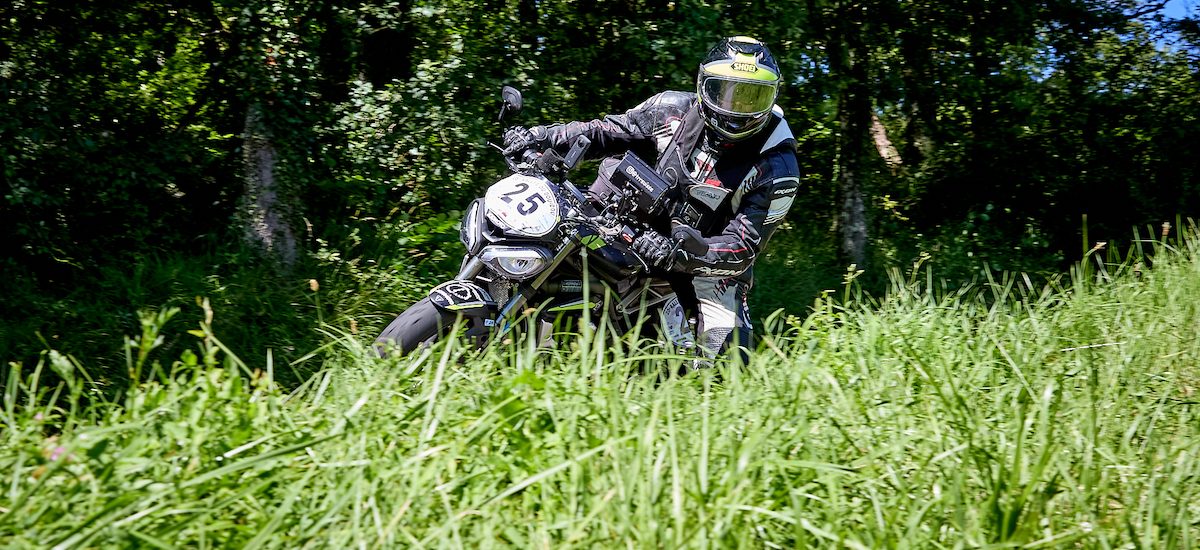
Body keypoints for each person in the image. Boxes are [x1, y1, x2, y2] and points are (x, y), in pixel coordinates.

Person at [501, 36, 800, 363]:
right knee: (539, 239)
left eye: (751, 97)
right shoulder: (670, 109)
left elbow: (742, 247)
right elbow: (605, 131)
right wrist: (541, 137)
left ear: (771, 97)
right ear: (704, 85)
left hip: (702, 270)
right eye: (726, 92)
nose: (736, 109)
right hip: (624, 222)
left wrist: (680, 252)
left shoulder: (776, 166)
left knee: (728, 359)